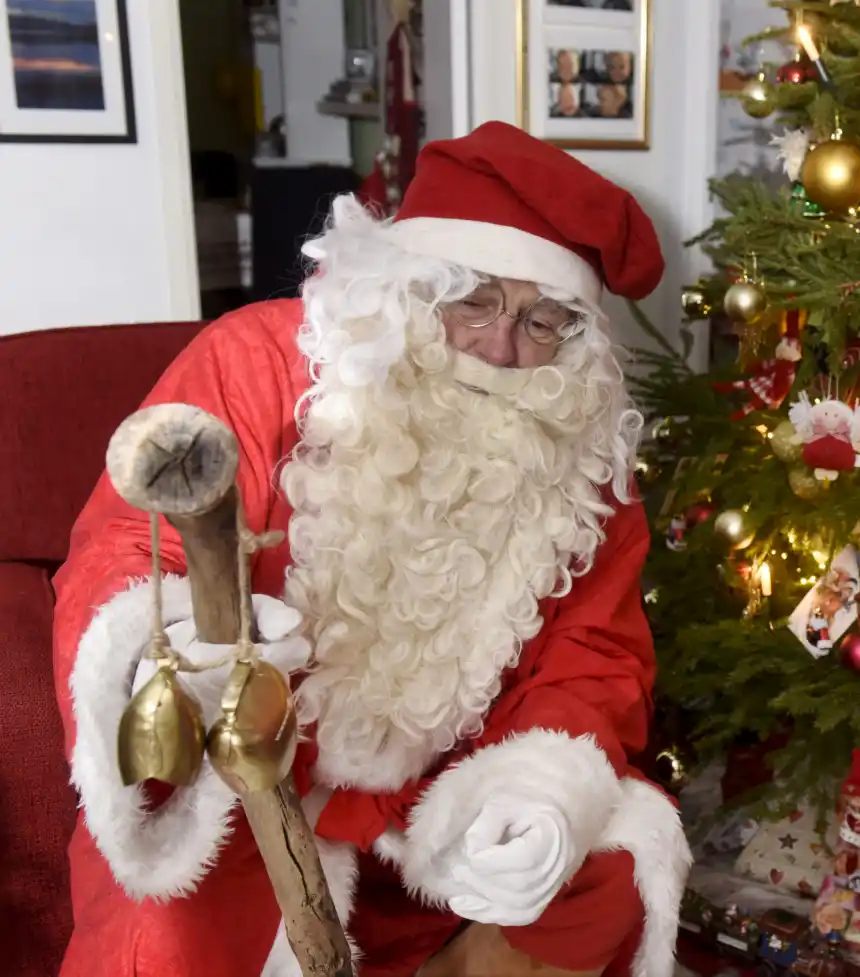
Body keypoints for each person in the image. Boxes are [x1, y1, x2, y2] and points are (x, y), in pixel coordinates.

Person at [53, 121, 690, 977]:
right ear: (406, 283)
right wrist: (172, 662)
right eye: (472, 300)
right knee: (176, 937)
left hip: (433, 791)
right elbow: (132, 542)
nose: (500, 350)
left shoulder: (579, 448)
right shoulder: (257, 359)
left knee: (603, 870)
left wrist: (536, 787)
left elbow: (595, 650)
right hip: (244, 786)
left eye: (543, 322)